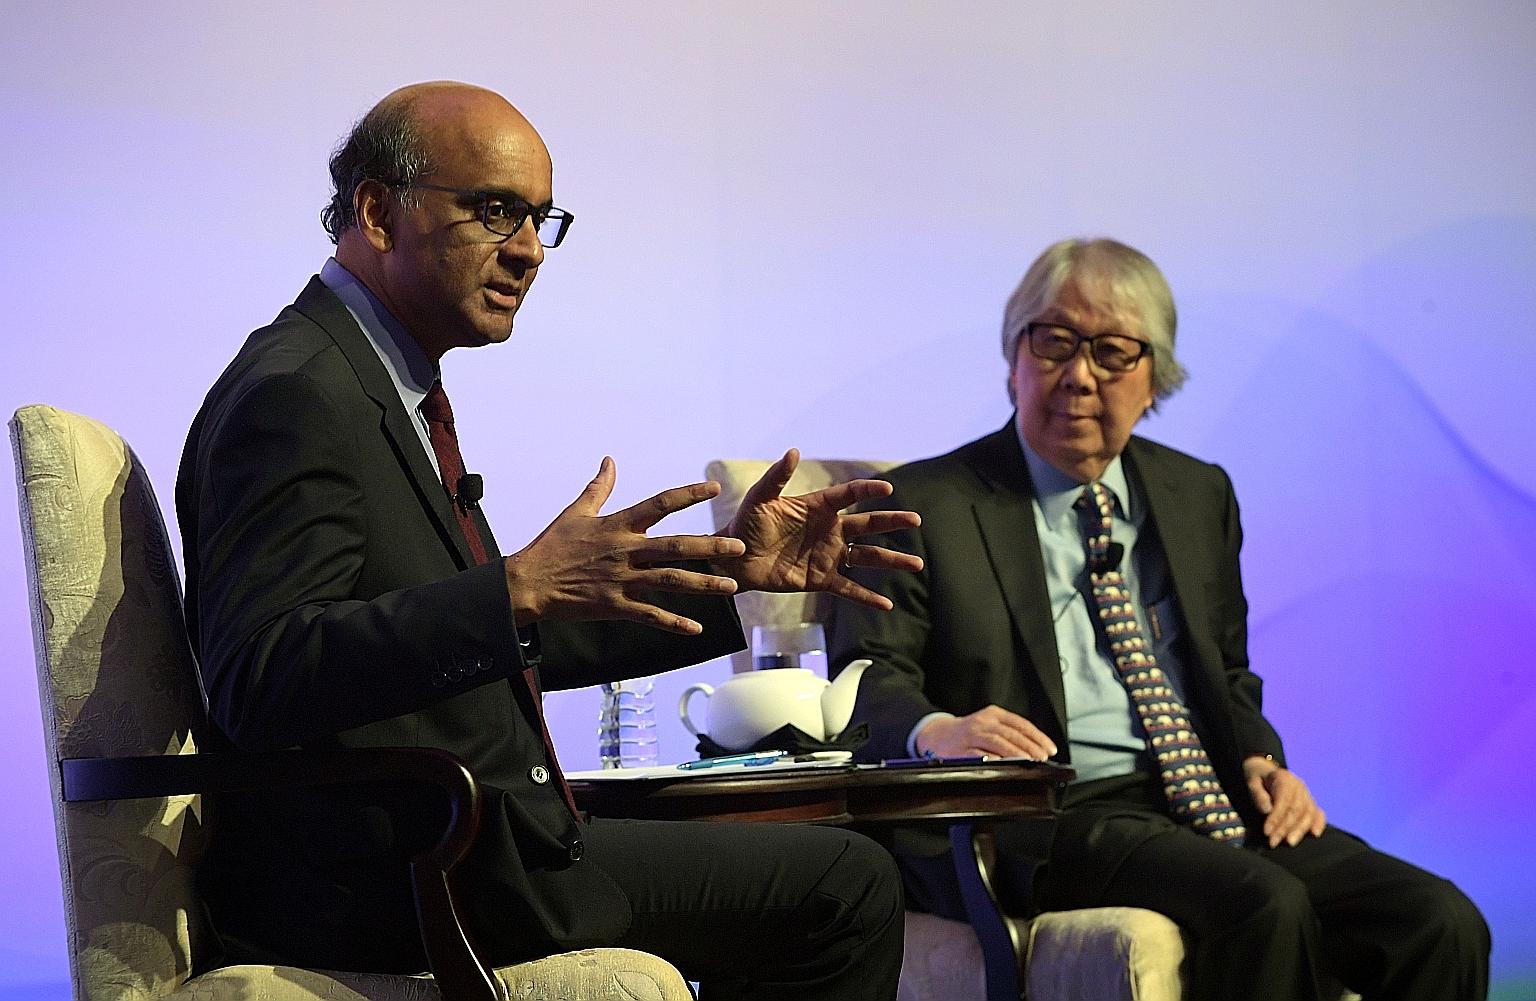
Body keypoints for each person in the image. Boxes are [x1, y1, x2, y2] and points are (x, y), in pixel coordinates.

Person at [175, 81, 922, 1001]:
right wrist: (510, 590)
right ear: (377, 212)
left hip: (467, 850)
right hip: (396, 879)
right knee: (845, 887)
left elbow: (495, 639)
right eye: (495, 211)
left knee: (826, 870)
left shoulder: (378, 383)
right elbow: (258, 676)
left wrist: (739, 578)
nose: (530, 249)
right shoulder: (300, 391)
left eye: (540, 218)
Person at [825, 237, 1490, 1001]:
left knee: (1437, 920)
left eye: (1112, 352)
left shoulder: (1197, 492)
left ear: (1154, 382)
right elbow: (864, 678)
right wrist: (937, 728)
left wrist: (1260, 758)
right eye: (1054, 341)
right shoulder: (921, 504)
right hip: (1052, 810)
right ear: (1014, 358)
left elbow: (1226, 671)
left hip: (1204, 794)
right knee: (1263, 906)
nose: (1079, 375)